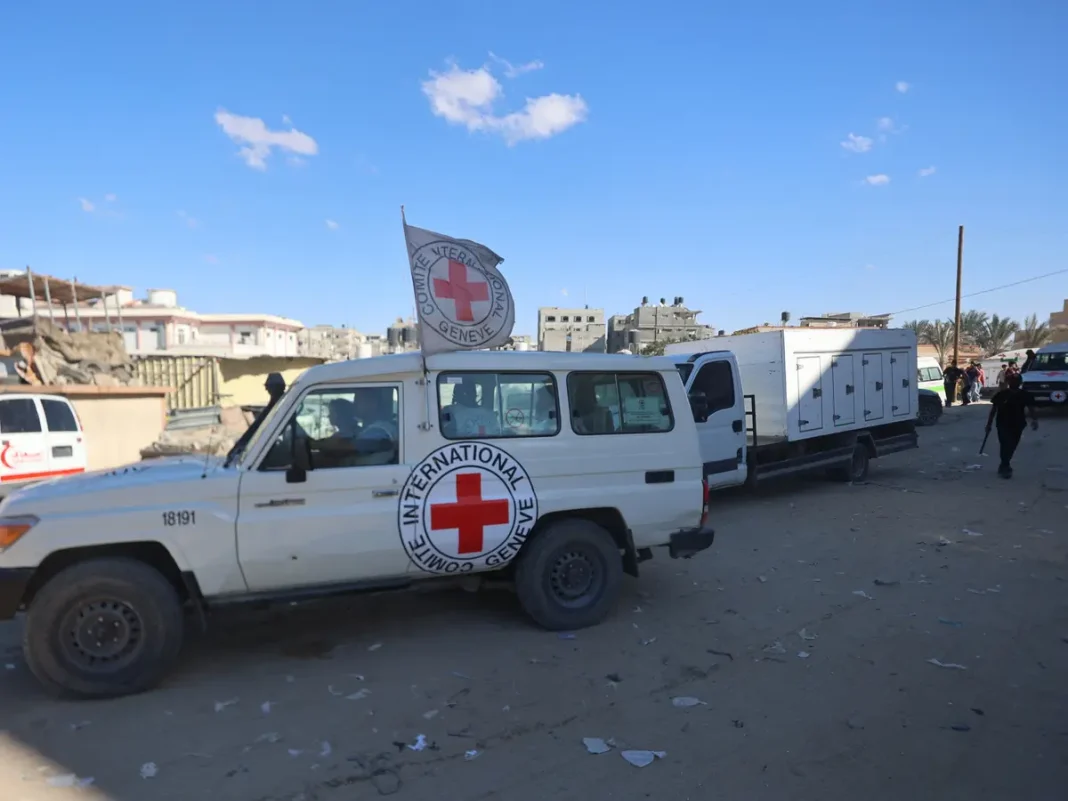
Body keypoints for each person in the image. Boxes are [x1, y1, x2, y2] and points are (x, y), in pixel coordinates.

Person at [985, 373, 1038, 479]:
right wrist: (989, 424)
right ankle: (1005, 465)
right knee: (1005, 443)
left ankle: (1004, 463)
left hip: (1018, 423)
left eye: (1016, 381)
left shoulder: (1024, 394)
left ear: (1020, 383)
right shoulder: (1001, 394)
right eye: (1012, 381)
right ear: (1009, 382)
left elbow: (1031, 408)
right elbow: (993, 410)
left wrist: (1034, 420)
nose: (1014, 383)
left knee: (1012, 445)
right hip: (1002, 423)